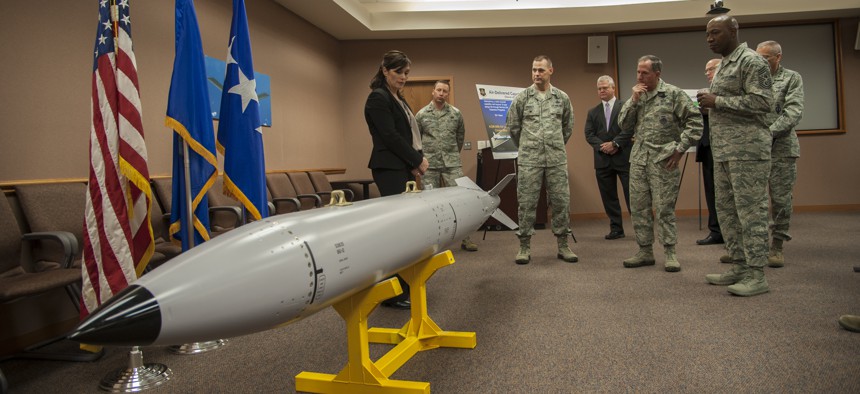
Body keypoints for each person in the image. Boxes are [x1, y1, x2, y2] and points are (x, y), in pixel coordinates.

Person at [699, 15, 774, 296]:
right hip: (724, 151)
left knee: (750, 214)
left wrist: (718, 101)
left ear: (734, 31)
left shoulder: (752, 61)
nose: (710, 39)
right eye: (707, 34)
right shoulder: (724, 65)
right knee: (728, 214)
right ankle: (740, 266)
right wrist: (712, 107)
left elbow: (765, 102)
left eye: (715, 33)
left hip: (748, 152)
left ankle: (757, 275)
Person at [618, 55, 703, 273]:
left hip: (664, 160)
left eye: (644, 72)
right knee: (638, 208)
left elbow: (695, 122)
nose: (640, 76)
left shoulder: (674, 94)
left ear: (657, 73)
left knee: (664, 208)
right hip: (639, 160)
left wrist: (680, 149)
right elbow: (623, 124)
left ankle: (670, 253)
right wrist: (633, 100)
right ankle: (645, 251)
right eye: (638, 72)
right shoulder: (637, 96)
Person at [364, 50, 429, 309]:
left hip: (402, 168)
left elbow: (408, 133)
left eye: (406, 73)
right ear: (385, 71)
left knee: (407, 230)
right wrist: (416, 160)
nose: (403, 77)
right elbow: (390, 137)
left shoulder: (397, 98)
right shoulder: (377, 98)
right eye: (398, 72)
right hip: (388, 169)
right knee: (397, 232)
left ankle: (402, 287)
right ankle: (390, 293)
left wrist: (413, 164)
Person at [506, 55, 577, 265]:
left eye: (541, 70)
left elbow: (568, 126)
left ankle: (563, 245)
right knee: (526, 203)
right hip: (529, 159)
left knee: (561, 202)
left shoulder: (562, 97)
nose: (537, 74)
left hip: (556, 158)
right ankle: (524, 246)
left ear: (550, 71)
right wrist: (529, 146)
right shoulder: (523, 97)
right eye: (534, 70)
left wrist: (554, 144)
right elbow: (513, 127)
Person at [755, 40, 804, 269]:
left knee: (781, 199)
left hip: (782, 147)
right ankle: (756, 247)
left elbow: (793, 111)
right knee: (754, 200)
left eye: (765, 58)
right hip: (755, 149)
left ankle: (777, 246)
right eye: (758, 58)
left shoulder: (792, 78)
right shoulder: (753, 79)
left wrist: (769, 133)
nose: (761, 62)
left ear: (778, 57)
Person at [416, 80, 478, 251]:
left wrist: (452, 154)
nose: (441, 93)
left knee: (461, 200)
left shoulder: (456, 114)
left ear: (448, 93)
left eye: (445, 91)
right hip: (430, 165)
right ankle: (433, 243)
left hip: (452, 164)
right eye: (439, 90)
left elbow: (460, 137)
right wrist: (421, 160)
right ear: (433, 92)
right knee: (430, 204)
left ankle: (466, 239)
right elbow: (416, 140)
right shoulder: (421, 114)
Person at [584, 75, 632, 241]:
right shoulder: (593, 112)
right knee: (609, 197)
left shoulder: (625, 106)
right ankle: (616, 229)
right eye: (599, 88)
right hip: (603, 161)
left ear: (613, 89)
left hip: (624, 158)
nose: (602, 91)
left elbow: (629, 129)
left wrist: (615, 144)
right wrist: (603, 146)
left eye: (605, 88)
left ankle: (642, 228)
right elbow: (589, 134)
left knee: (632, 195)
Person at [695, 59, 725, 247]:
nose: (707, 73)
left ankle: (731, 232)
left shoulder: (729, 91)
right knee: (711, 191)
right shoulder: (704, 93)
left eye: (711, 69)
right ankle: (715, 231)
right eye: (705, 70)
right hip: (707, 146)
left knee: (727, 192)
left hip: (725, 146)